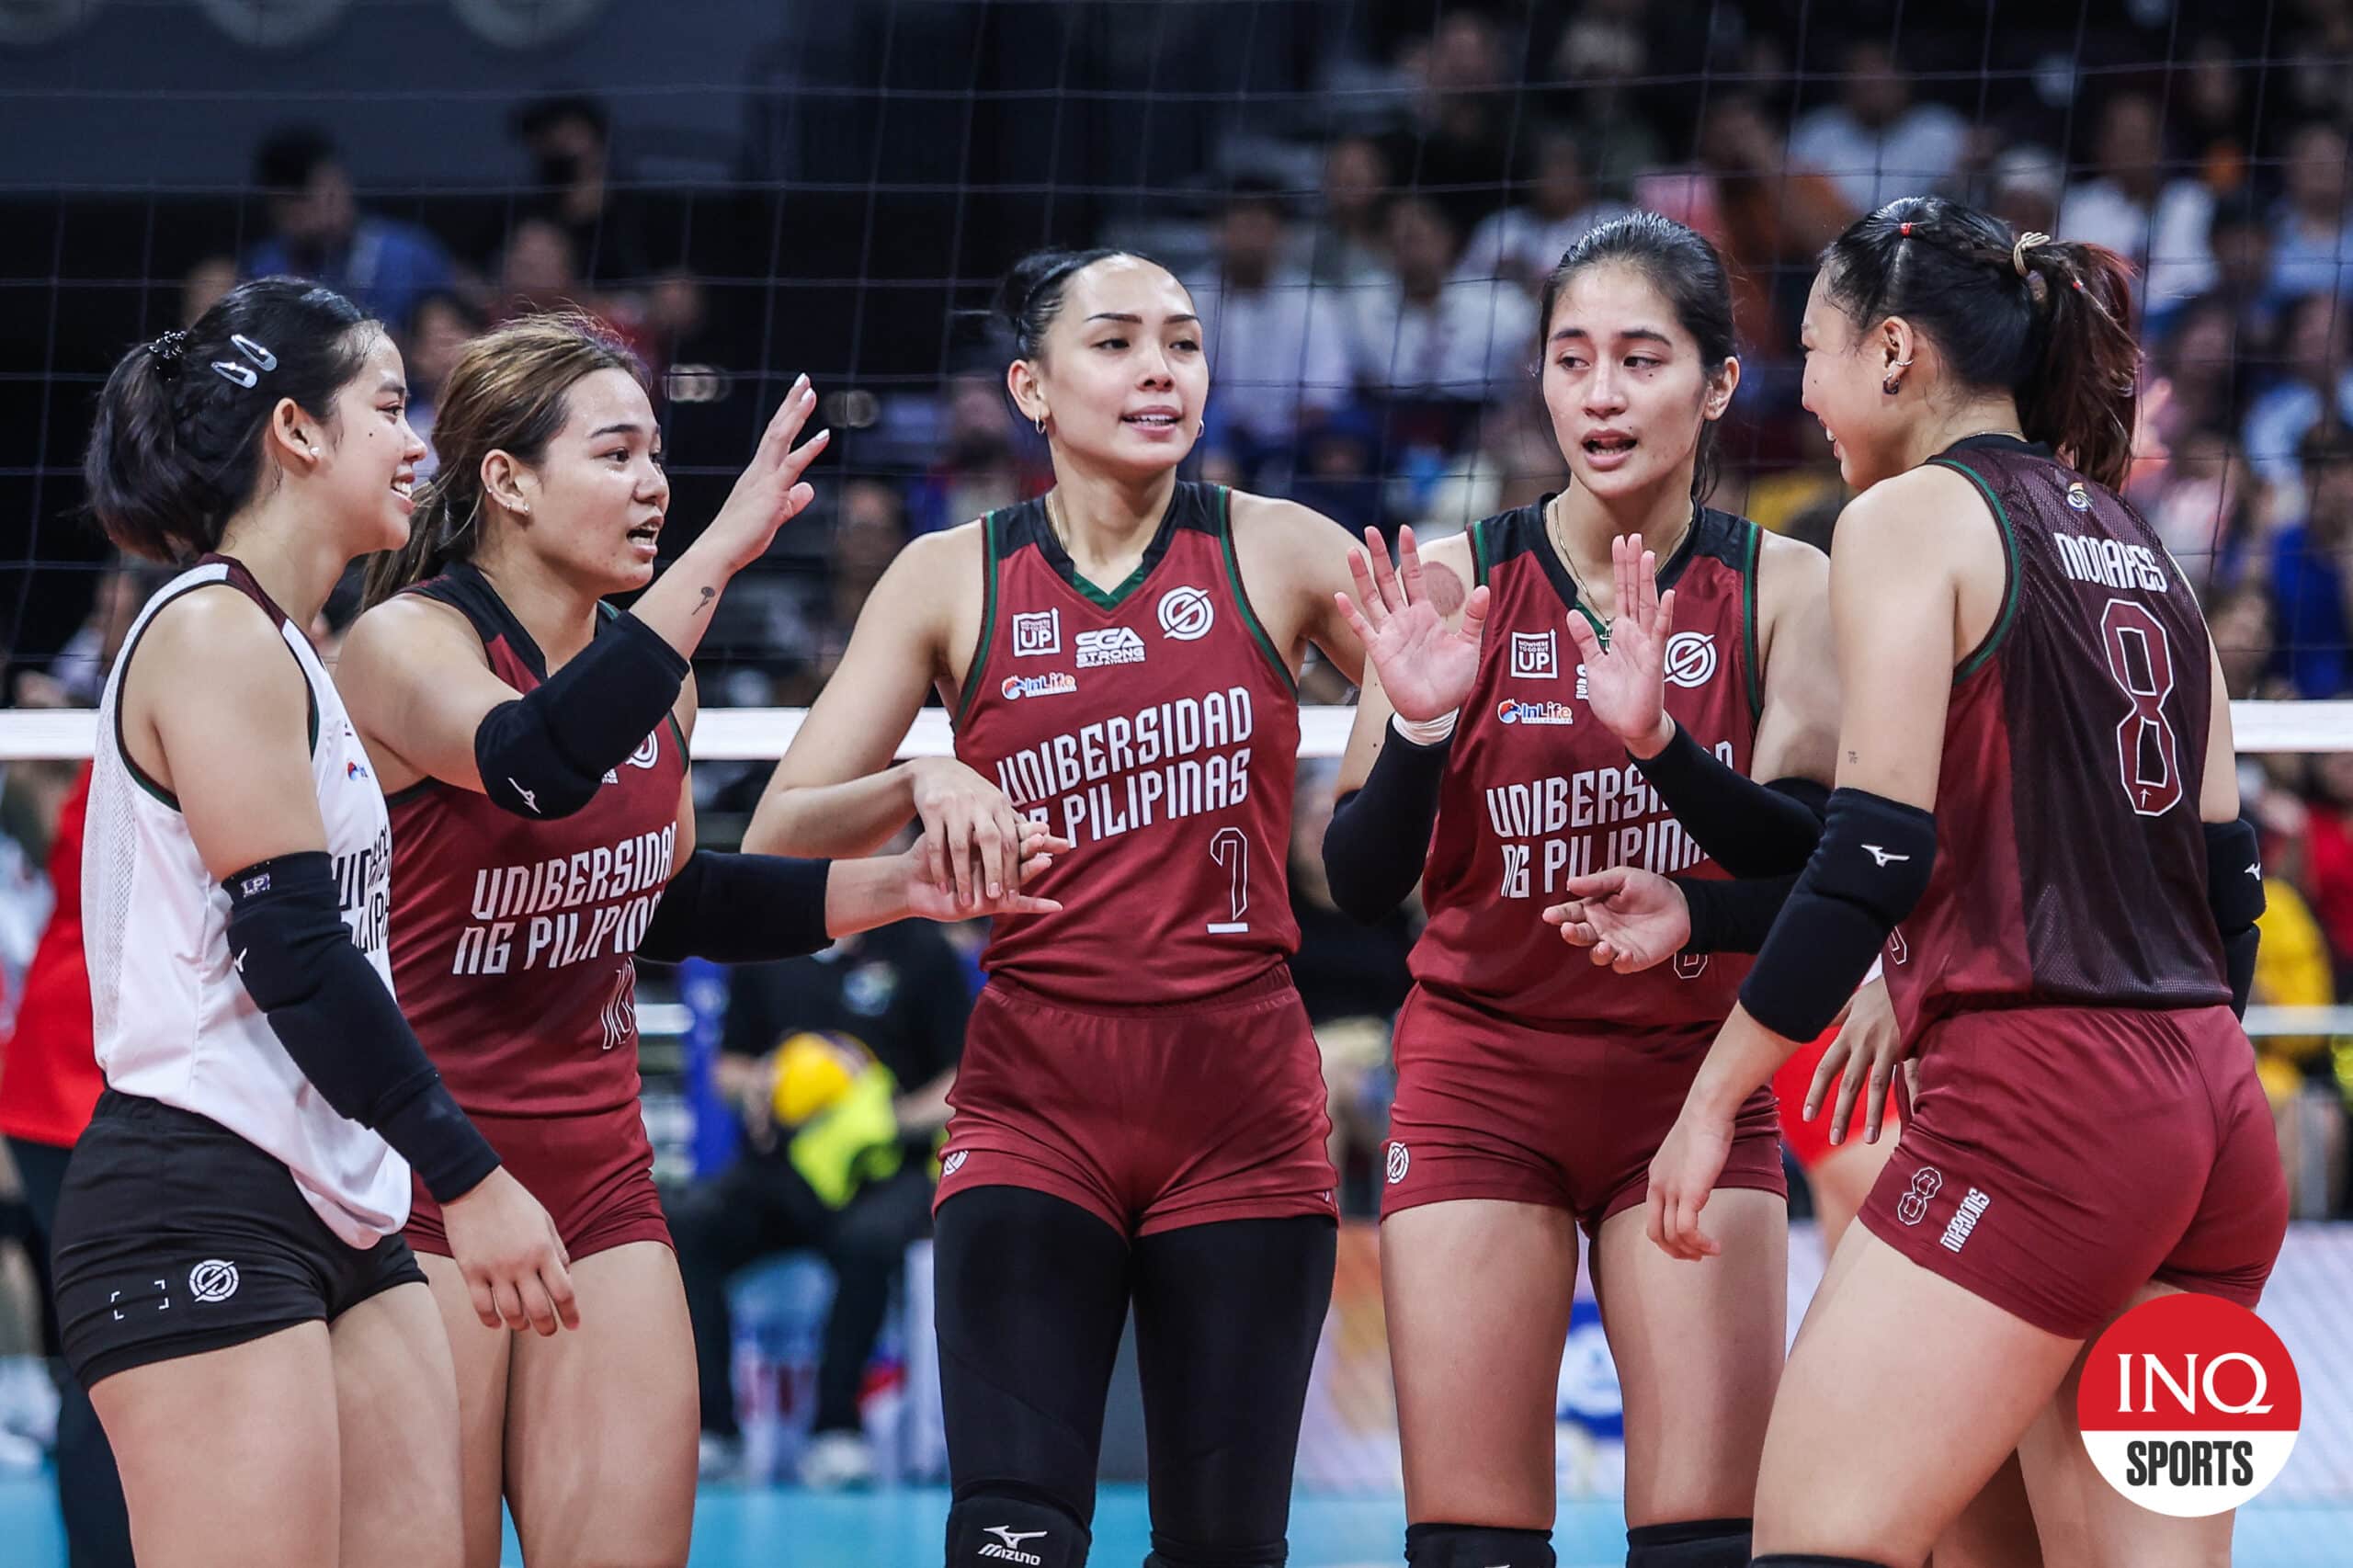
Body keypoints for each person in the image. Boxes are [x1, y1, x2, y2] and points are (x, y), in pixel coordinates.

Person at [1605, 197, 2285, 1566]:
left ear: (1899, 353)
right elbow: (2228, 896)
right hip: (2214, 1116)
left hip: (2053, 1114)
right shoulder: (2145, 550)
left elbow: (1872, 846)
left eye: (1817, 350)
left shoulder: (1914, 514)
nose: (1807, 389)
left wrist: (1709, 1094)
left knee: (1812, 1541)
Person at [335, 313, 1058, 1568]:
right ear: (506, 480)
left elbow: (669, 904)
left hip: (605, 1181)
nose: (656, 484)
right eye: (615, 454)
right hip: (423, 1190)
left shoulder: (660, 680)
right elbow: (533, 764)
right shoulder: (408, 644)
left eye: (659, 455)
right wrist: (722, 555)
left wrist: (898, 886)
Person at [743, 246, 1367, 1568]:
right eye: (1118, 341)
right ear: (1030, 385)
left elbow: (1442, 737)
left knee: (1226, 1550)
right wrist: (925, 768)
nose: (1160, 368)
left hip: (1242, 1103)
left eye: (1185, 342)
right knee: (1010, 1540)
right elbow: (785, 827)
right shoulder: (949, 574)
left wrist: (1406, 731)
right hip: (1038, 1099)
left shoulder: (1285, 548)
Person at [1320, 213, 1836, 1568]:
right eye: (1571, 359)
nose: (1600, 395)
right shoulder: (1456, 578)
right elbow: (1360, 883)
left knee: (1707, 1544)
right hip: (1481, 1069)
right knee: (1472, 1545)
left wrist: (1659, 739)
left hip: (1695, 1075)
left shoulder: (1787, 586)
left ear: (1719, 384)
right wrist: (1423, 729)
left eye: (1641, 358)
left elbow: (1815, 867)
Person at [49, 278, 572, 1568]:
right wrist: (475, 1173)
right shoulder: (211, 631)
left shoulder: (295, 650)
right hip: (195, 1191)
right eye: (391, 407)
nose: (418, 441)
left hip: (337, 1202)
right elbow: (291, 948)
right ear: (296, 432)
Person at [674, 907, 974, 1488]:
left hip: (884, 1170)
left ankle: (838, 1430)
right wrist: (765, 1080)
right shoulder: (769, 942)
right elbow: (727, 1069)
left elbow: (963, 1073)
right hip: (778, 1171)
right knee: (686, 1225)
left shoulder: (921, 949)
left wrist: (892, 1120)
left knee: (868, 1240)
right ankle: (716, 1430)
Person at [0, 762, 133, 1566]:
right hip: (73, 1080)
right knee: (108, 1337)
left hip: (106, 1072)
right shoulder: (98, 754)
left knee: (115, 1333)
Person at [244, 129, 456, 335]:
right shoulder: (265, 268)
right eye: (310, 197)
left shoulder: (409, 255)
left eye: (335, 185)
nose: (333, 201)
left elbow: (454, 328)